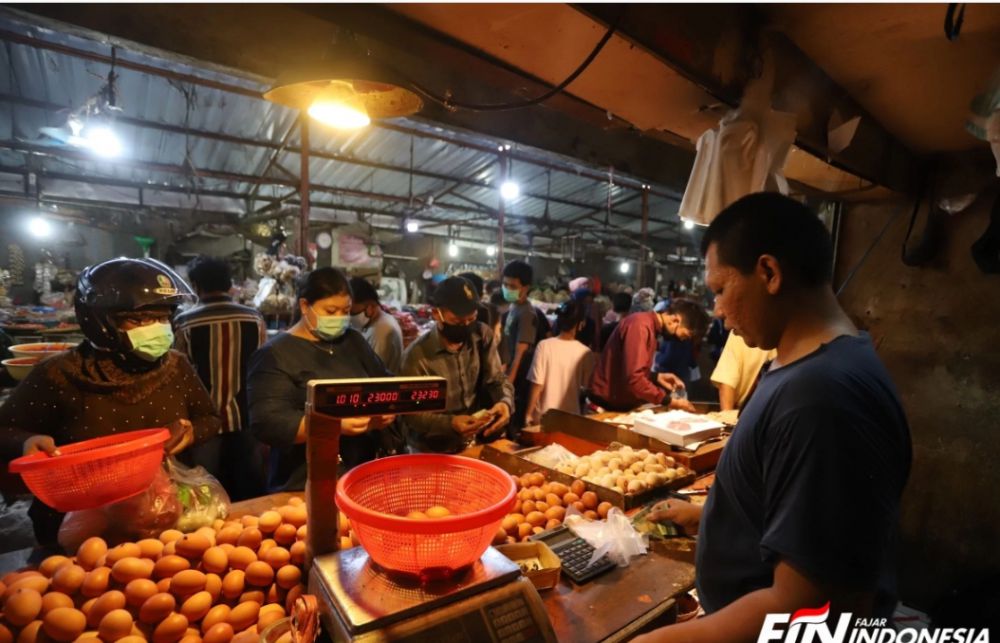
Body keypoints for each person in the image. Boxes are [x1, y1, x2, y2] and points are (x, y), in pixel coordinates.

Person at [637, 193, 911, 643]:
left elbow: (808, 605)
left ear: (769, 272)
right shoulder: (796, 367)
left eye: (721, 290)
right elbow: (792, 505)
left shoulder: (822, 397)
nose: (719, 312)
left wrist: (665, 640)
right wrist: (710, 514)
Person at [0, 258, 220, 546]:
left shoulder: (176, 366)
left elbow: (210, 419)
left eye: (163, 317)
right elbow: (5, 429)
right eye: (139, 319)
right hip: (80, 528)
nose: (156, 328)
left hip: (163, 518)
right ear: (99, 321)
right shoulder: (59, 374)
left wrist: (192, 431)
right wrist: (28, 442)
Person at [247, 268, 394, 492]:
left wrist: (386, 406)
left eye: (345, 311)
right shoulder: (275, 355)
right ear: (305, 306)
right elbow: (267, 423)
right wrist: (334, 426)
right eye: (330, 311)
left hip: (360, 475)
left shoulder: (353, 341)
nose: (339, 319)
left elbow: (383, 380)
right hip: (303, 481)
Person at [173, 255, 268, 501]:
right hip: (246, 416)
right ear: (229, 284)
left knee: (208, 488)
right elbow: (263, 364)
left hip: (205, 423)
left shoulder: (185, 322)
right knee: (251, 485)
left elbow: (178, 373)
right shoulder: (253, 318)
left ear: (196, 285)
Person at [400, 276, 513, 454]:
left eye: (471, 319)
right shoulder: (416, 357)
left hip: (470, 443)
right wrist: (449, 423)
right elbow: (410, 414)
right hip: (430, 450)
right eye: (458, 322)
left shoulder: (481, 335)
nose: (466, 326)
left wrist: (505, 402)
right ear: (437, 314)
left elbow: (497, 379)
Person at [588, 299, 708, 412]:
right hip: (606, 403)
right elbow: (635, 379)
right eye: (686, 335)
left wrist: (657, 377)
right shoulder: (641, 326)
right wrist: (669, 401)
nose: (682, 340)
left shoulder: (649, 326)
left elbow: (629, 369)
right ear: (676, 320)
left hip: (617, 402)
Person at [524, 300, 594, 425]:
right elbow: (587, 388)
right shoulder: (586, 353)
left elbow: (537, 384)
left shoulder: (544, 346)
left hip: (544, 417)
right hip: (571, 418)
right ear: (581, 324)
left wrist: (528, 413)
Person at [500, 260, 539, 432]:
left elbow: (520, 352)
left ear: (525, 287)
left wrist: (508, 383)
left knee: (511, 426)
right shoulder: (514, 306)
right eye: (505, 284)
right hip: (507, 373)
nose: (507, 289)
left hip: (517, 379)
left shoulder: (527, 314)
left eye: (512, 286)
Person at [348, 277, 403, 373]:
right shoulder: (375, 323)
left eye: (353, 313)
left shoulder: (381, 332)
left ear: (371, 306)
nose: (350, 317)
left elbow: (374, 372)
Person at [710, 331, 776, 411]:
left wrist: (728, 416)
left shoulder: (741, 330)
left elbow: (727, 379)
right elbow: (727, 379)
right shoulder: (739, 333)